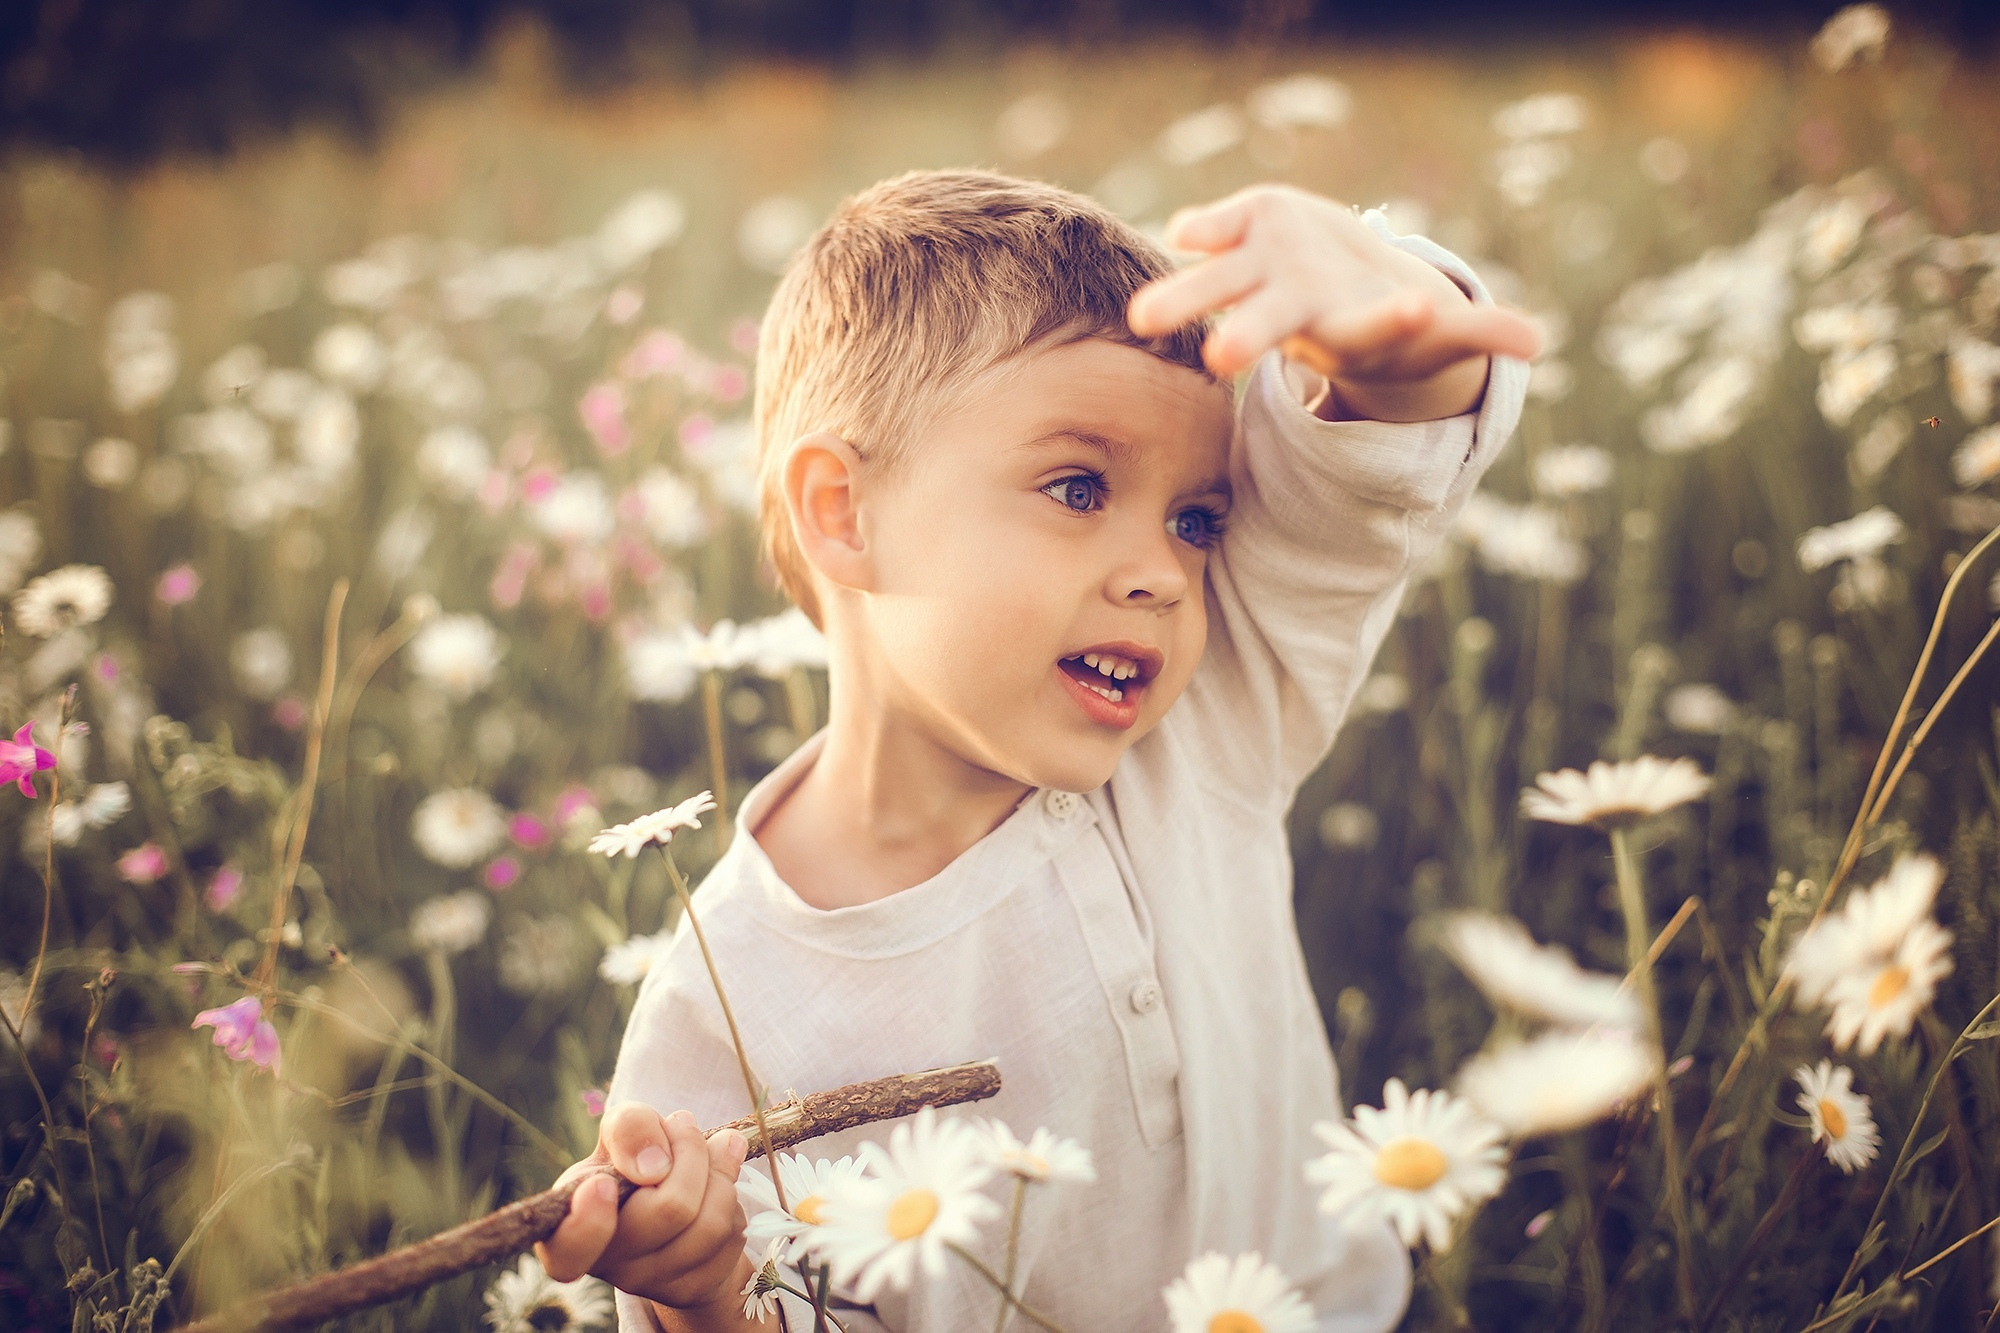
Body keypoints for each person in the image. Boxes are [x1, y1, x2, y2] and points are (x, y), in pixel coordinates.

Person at [537, 169, 1537, 1332]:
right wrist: (702, 1293)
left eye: (1195, 518)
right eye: (1077, 486)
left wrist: (1390, 341)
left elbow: (1359, 484)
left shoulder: (1212, 720)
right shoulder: (728, 1005)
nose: (1161, 570)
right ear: (841, 513)